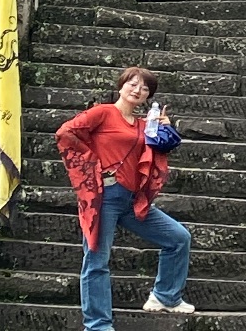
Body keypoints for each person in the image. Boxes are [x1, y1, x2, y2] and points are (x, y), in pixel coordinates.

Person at [55, 66, 194, 330]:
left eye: (145, 88)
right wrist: (92, 164)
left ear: (148, 96)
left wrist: (166, 128)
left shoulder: (145, 124)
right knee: (96, 260)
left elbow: (165, 148)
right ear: (121, 86)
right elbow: (66, 133)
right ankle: (98, 325)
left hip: (132, 200)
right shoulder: (103, 112)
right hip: (105, 196)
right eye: (133, 84)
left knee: (178, 238)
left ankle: (165, 297)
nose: (138, 90)